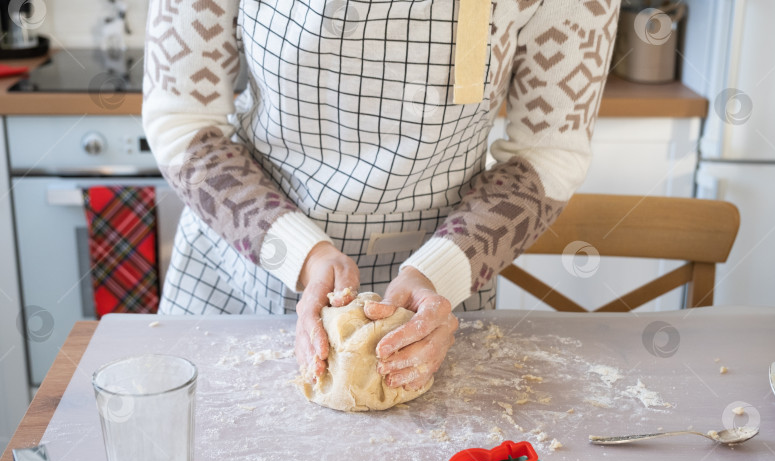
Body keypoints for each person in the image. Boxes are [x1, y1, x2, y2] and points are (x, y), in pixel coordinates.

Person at [143, 0, 619, 389]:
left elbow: (549, 151)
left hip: (440, 303)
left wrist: (436, 273)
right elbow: (182, 122)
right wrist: (301, 254)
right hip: (247, 283)